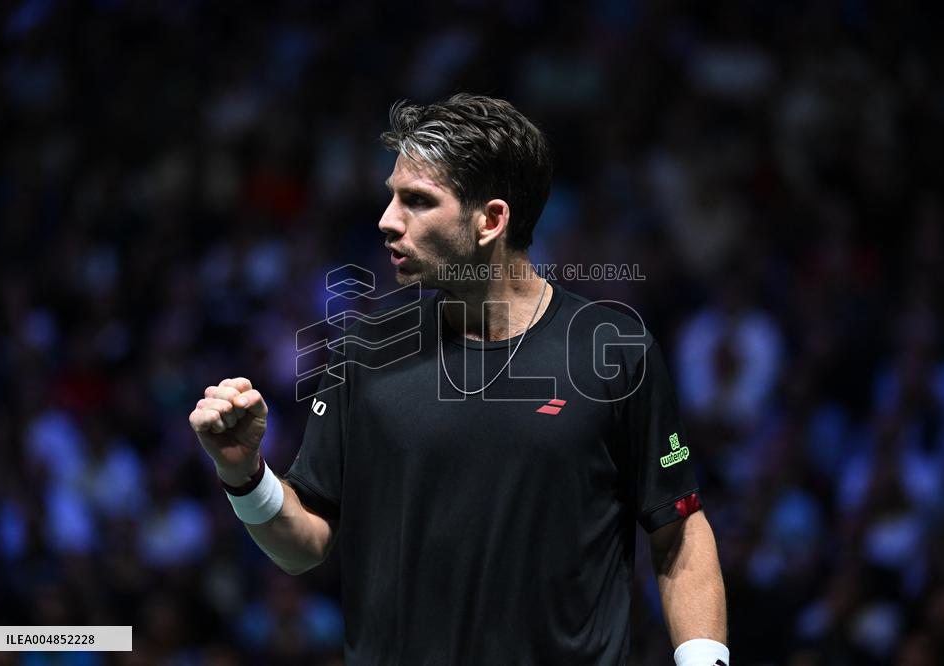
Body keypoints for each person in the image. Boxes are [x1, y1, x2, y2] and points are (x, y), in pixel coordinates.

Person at [189, 94, 729, 665]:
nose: (387, 220)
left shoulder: (613, 350)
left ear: (491, 220)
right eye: (392, 196)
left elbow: (679, 532)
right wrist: (242, 473)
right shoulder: (363, 353)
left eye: (417, 201)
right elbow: (305, 544)